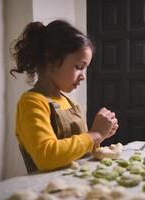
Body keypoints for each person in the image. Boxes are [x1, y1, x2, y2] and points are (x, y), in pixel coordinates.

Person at [10, 20, 119, 173]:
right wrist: (94, 134)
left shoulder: (71, 104)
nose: (83, 76)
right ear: (52, 59)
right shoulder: (32, 103)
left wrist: (101, 136)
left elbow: (79, 148)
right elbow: (46, 156)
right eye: (79, 67)